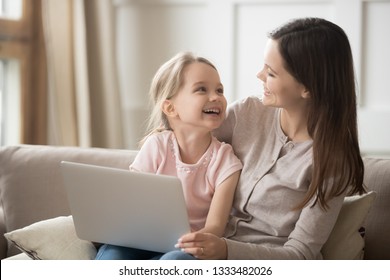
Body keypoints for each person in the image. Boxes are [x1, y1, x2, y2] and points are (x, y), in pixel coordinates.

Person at [163, 17, 366, 260]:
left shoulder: (332, 162)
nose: (259, 75)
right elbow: (180, 146)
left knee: (174, 262)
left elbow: (301, 254)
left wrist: (227, 250)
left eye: (271, 73)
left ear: (307, 88)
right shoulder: (246, 113)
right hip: (200, 246)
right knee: (116, 251)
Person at [95, 52, 242, 259]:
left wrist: (187, 242)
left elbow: (216, 227)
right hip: (143, 239)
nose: (216, 96)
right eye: (202, 89)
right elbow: (132, 202)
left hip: (188, 249)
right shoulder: (156, 146)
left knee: (175, 260)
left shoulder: (225, 160)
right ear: (170, 108)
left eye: (219, 90)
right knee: (114, 253)